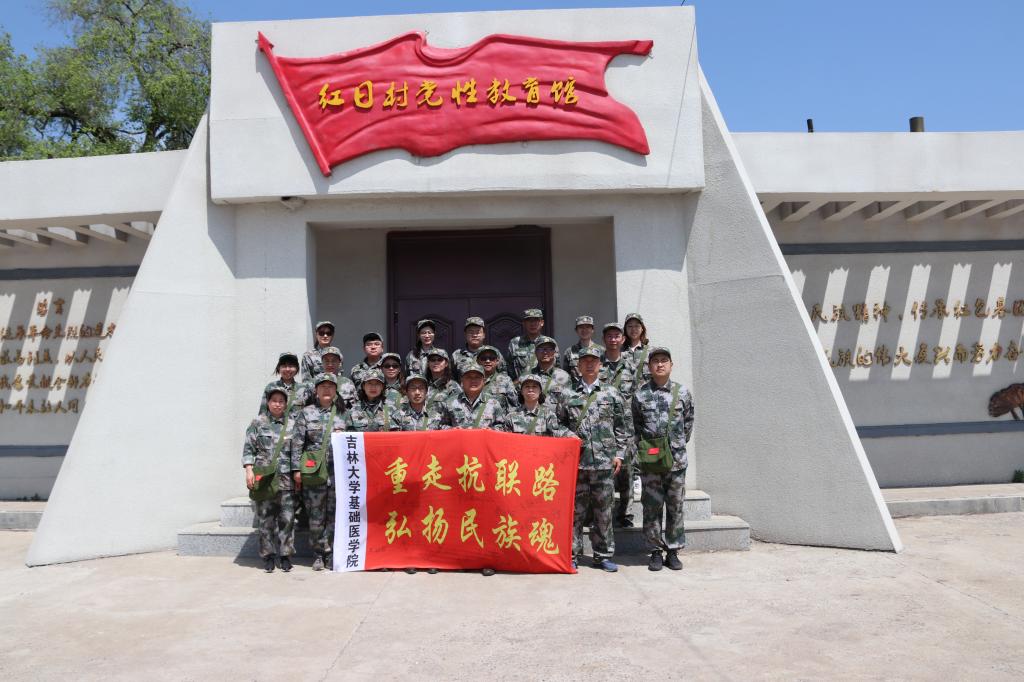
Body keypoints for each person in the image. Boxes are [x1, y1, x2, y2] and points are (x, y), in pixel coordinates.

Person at [564, 347, 630, 572]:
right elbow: (558, 423)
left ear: (600, 365)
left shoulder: (611, 394)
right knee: (575, 512)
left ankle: (602, 555)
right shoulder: (568, 394)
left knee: (604, 512)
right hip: (577, 464)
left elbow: (622, 426)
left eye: (594, 361)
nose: (590, 364)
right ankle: (571, 554)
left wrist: (620, 454)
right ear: (578, 366)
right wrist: (569, 437)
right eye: (585, 361)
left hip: (604, 463)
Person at [630, 347, 694, 572]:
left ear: (671, 365)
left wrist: (673, 445)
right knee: (651, 507)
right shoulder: (640, 395)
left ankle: (673, 550)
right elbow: (636, 426)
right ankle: (655, 551)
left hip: (676, 461)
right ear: (649, 366)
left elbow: (688, 423)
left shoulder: (682, 392)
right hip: (651, 463)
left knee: (675, 506)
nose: (659, 364)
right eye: (655, 361)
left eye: (664, 360)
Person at [242, 385, 299, 573]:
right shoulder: (258, 423)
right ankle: (268, 556)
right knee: (266, 520)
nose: (277, 404)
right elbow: (248, 449)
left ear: (286, 404)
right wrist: (249, 471)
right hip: (265, 480)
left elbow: (297, 452)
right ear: (268, 402)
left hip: (286, 481)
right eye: (274, 401)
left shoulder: (292, 424)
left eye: (281, 401)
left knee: (287, 519)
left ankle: (285, 555)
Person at [292, 373, 346, 571]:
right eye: (322, 386)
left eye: (330, 386)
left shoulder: (344, 413)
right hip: (314, 472)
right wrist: (296, 470)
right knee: (315, 515)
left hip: (338, 473)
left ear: (336, 390)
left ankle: (331, 553)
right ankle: (318, 553)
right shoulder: (306, 413)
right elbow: (297, 442)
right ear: (316, 391)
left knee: (334, 515)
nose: (326, 390)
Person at [600, 322, 639, 527]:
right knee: (602, 471)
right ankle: (601, 513)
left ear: (623, 339)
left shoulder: (631, 365)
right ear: (604, 339)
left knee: (626, 471)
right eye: (609, 336)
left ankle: (625, 514)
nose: (613, 339)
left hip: (626, 425)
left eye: (617, 336)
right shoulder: (597, 364)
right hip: (602, 425)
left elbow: (638, 395)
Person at [440, 361, 507, 430]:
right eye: (469, 377)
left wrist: (491, 430)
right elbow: (442, 425)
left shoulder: (493, 403)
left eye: (477, 377)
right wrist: (451, 430)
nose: (473, 381)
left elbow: (502, 426)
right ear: (462, 380)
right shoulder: (450, 403)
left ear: (483, 381)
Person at [504, 374, 572, 437]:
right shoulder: (511, 417)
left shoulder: (548, 415)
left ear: (540, 391)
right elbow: (506, 440)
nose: (530, 390)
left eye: (534, 386)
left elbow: (557, 434)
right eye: (527, 386)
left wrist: (571, 436)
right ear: (521, 391)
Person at [258, 351, 313, 420]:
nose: (287, 369)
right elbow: (263, 413)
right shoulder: (271, 387)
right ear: (278, 368)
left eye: (291, 366)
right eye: (284, 366)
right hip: (275, 426)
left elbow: (311, 413)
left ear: (297, 368)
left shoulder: (304, 389)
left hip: (297, 426)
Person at [530, 336, 573, 407]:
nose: (545, 352)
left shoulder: (564, 376)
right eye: (541, 349)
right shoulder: (529, 376)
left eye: (549, 349)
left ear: (554, 352)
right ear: (536, 353)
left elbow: (568, 404)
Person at [562, 315, 604, 385]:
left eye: (587, 327)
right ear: (576, 330)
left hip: (597, 389)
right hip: (576, 390)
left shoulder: (601, 350)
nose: (584, 330)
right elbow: (566, 376)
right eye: (581, 327)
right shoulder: (570, 351)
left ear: (592, 330)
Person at [507, 308, 545, 381]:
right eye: (529, 320)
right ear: (524, 323)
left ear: (542, 322)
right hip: (521, 386)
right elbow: (508, 368)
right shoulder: (515, 343)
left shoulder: (550, 343)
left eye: (536, 320)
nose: (532, 324)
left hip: (543, 386)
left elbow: (555, 368)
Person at [476, 345, 519, 410]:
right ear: (478, 361)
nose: (487, 361)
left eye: (492, 358)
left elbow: (515, 404)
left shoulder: (505, 380)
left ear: (497, 361)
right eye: (483, 358)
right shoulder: (471, 380)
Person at [319, 346, 357, 411]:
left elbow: (354, 408)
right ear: (322, 362)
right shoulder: (313, 383)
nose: (330, 364)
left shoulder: (348, 383)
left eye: (334, 361)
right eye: (326, 361)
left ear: (339, 363)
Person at [624, 313, 652, 385]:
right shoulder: (619, 352)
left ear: (642, 329)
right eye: (630, 326)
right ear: (625, 329)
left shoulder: (651, 352)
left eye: (637, 326)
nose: (633, 329)